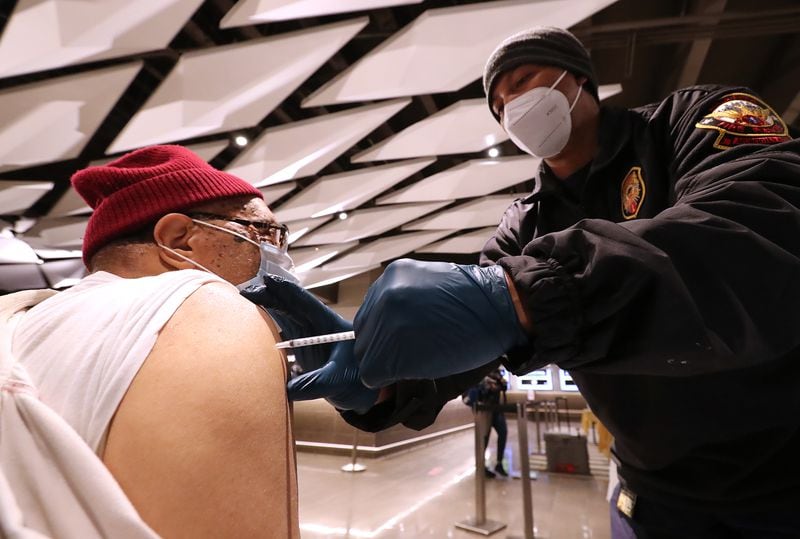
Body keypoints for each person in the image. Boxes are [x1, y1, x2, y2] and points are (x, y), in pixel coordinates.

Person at [259, 25, 800, 538]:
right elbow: (469, 345)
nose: (511, 108)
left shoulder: (691, 121)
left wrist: (529, 294)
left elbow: (764, 231)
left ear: (576, 77)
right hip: (655, 490)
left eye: (522, 83)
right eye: (498, 106)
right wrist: (384, 386)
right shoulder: (522, 225)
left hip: (781, 472)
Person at [10, 145, 301, 537]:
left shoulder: (21, 323)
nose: (277, 252)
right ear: (179, 239)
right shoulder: (209, 310)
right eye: (264, 232)